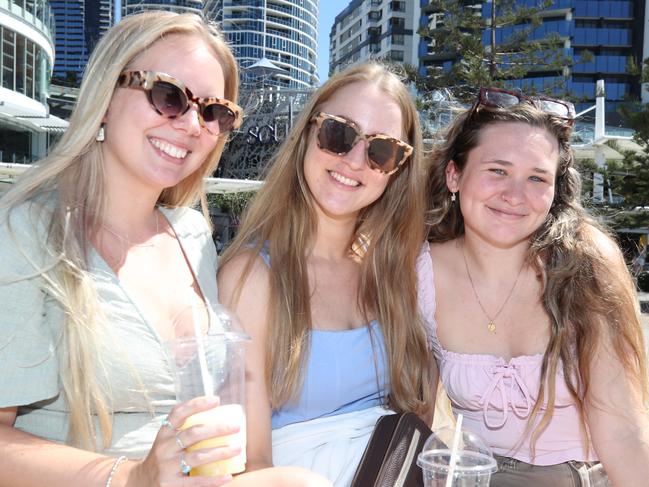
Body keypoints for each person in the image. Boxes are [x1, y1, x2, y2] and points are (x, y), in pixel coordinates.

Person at [0, 11, 330, 487]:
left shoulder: (193, 235)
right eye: (168, 96)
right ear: (107, 96)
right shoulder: (25, 233)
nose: (193, 124)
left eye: (214, 111)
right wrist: (134, 477)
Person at [217, 62, 433, 486]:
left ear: (397, 170)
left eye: (381, 150)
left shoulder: (391, 275)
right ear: (306, 136)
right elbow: (247, 465)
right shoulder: (252, 279)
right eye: (339, 133)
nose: (354, 161)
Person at [420, 87, 649, 485]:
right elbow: (415, 412)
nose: (515, 196)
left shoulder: (585, 264)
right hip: (468, 476)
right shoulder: (420, 272)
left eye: (537, 178)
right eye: (497, 170)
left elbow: (625, 433)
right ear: (454, 174)